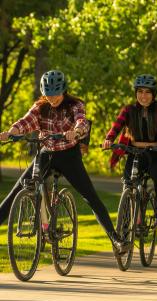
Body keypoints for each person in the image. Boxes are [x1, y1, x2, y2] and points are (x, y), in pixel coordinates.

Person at [0, 70, 127, 254]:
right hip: (46, 153)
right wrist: (10, 132)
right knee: (18, 190)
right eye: (49, 94)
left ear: (64, 90)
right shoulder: (40, 107)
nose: (53, 98)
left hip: (69, 156)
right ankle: (44, 224)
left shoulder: (75, 105)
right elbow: (25, 122)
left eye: (56, 94)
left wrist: (76, 132)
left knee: (90, 196)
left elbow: (82, 122)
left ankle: (116, 239)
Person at [102, 74, 157, 225]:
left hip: (155, 153)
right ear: (136, 93)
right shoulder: (128, 110)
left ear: (153, 94)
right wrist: (109, 139)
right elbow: (117, 126)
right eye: (140, 91)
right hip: (134, 153)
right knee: (128, 183)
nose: (143, 96)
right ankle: (125, 225)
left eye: (148, 92)